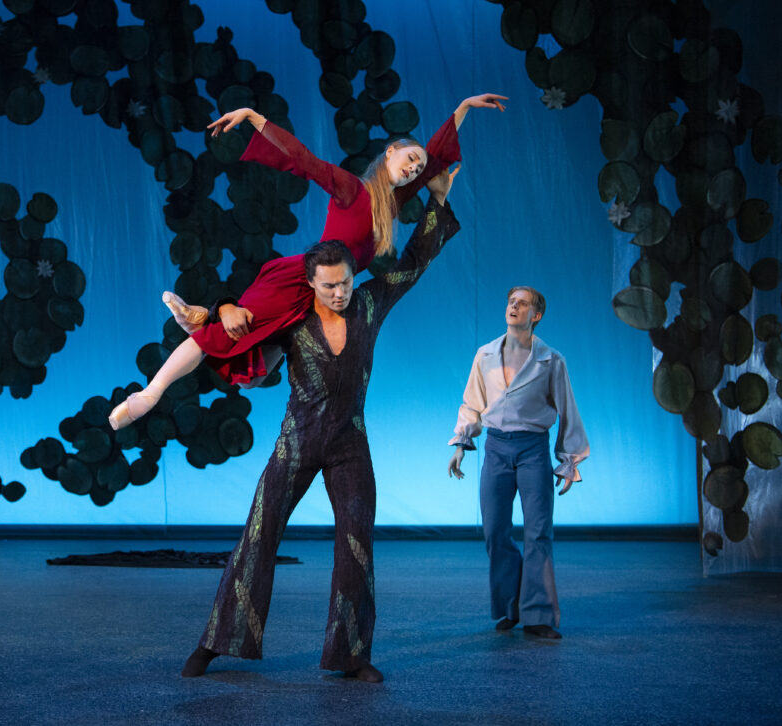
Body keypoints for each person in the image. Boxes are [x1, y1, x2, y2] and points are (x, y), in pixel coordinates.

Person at [181, 166, 462, 682]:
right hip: (297, 439)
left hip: (350, 441)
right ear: (310, 282)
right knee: (258, 535)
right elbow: (253, 362)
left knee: (356, 541)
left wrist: (437, 205)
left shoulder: (371, 303)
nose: (339, 293)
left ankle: (351, 653)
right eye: (329, 285)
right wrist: (221, 308)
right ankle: (216, 643)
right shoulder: (290, 320)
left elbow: (417, 262)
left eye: (346, 282)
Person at [108, 93, 507, 430]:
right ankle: (150, 393)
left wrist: (463, 108)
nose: (415, 169)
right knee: (225, 337)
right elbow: (303, 159)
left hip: (328, 298)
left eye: (417, 168)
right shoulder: (353, 189)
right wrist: (253, 117)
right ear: (389, 153)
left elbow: (436, 156)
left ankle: (202, 315)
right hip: (302, 281)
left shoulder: (390, 205)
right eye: (409, 158)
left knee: (255, 376)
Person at [447, 287, 589, 639]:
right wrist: (462, 443)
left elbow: (567, 408)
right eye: (511, 301)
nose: (514, 306)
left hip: (532, 449)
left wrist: (569, 460)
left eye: (522, 303)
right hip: (496, 447)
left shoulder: (550, 359)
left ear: (535, 315)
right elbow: (472, 403)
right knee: (495, 530)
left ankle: (538, 614)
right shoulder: (485, 354)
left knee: (538, 531)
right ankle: (510, 605)